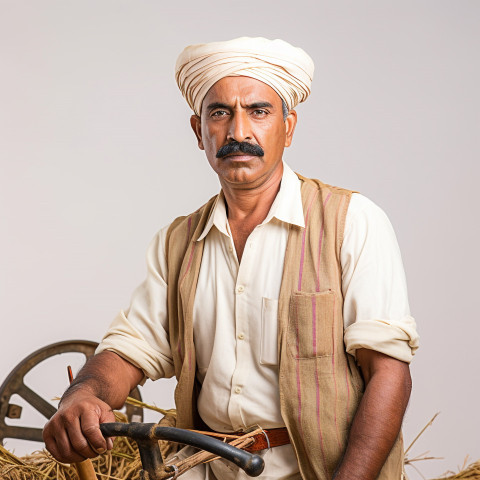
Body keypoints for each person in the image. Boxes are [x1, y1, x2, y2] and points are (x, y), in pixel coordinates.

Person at [43, 37, 419, 479]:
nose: (238, 132)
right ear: (198, 131)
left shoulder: (352, 222)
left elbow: (389, 375)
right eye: (219, 113)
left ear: (289, 126)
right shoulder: (177, 242)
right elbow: (129, 350)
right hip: (205, 469)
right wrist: (83, 396)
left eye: (258, 111)